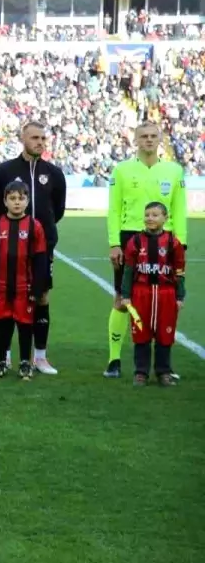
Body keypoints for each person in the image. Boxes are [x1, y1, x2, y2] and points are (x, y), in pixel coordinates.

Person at [105, 121, 189, 379]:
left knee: (167, 300)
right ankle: (114, 359)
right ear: (136, 140)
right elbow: (114, 208)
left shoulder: (174, 170)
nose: (149, 140)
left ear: (160, 139)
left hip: (166, 241)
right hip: (130, 237)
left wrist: (181, 243)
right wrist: (114, 243)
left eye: (154, 136)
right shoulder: (122, 169)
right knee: (122, 299)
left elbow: (179, 208)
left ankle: (162, 365)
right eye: (144, 136)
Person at [0, 122, 66, 375]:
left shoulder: (53, 173)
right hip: (8, 249)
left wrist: (41, 232)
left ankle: (39, 357)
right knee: (7, 296)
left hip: (42, 248)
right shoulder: (3, 171)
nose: (40, 142)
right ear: (22, 138)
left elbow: (58, 210)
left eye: (43, 137)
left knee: (41, 297)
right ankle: (5, 357)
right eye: (34, 137)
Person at [0, 180, 49, 381]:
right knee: (2, 324)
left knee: (25, 325)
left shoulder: (34, 226)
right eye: (12, 198)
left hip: (25, 287)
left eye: (21, 198)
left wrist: (37, 288)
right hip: (2, 286)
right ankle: (1, 361)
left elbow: (40, 260)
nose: (17, 203)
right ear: (5, 201)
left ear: (28, 201)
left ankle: (24, 363)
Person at [120, 201, 187, 387]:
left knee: (165, 334)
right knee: (141, 332)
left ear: (166, 218)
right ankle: (141, 372)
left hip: (166, 294)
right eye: (147, 214)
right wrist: (125, 294)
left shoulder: (173, 243)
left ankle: (163, 372)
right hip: (141, 293)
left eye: (155, 215)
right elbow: (128, 270)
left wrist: (180, 295)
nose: (150, 218)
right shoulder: (135, 241)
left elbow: (180, 271)